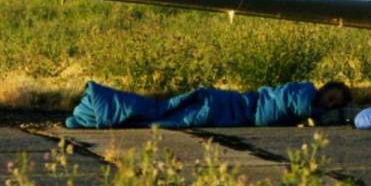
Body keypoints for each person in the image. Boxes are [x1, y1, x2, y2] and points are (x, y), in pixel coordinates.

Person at [66, 79, 352, 129]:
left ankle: (96, 108)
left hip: (230, 109)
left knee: (162, 114)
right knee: (161, 113)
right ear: (324, 89)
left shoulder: (305, 100)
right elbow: (296, 105)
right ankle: (98, 103)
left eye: (333, 104)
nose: (328, 104)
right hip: (228, 106)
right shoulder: (303, 93)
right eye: (331, 98)